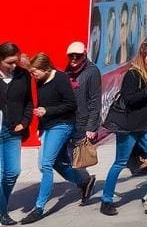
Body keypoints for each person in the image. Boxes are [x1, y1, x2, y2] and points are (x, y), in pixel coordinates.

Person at [21, 53, 95, 224]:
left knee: (45, 164)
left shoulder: (60, 78)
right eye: (32, 73)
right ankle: (84, 180)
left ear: (46, 69)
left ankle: (39, 207)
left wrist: (47, 111)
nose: (34, 76)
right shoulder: (40, 80)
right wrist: (41, 126)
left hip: (62, 125)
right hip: (48, 127)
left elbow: (71, 104)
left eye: (35, 72)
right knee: (54, 163)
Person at [100, 42, 147, 215]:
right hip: (128, 127)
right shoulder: (133, 74)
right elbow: (129, 99)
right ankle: (106, 199)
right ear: (143, 57)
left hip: (144, 126)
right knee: (120, 162)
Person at [0, 43, 32, 226]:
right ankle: (3, 213)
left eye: (16, 61)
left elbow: (28, 101)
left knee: (12, 172)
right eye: (9, 62)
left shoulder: (23, 75)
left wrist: (24, 122)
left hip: (13, 130)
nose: (14, 66)